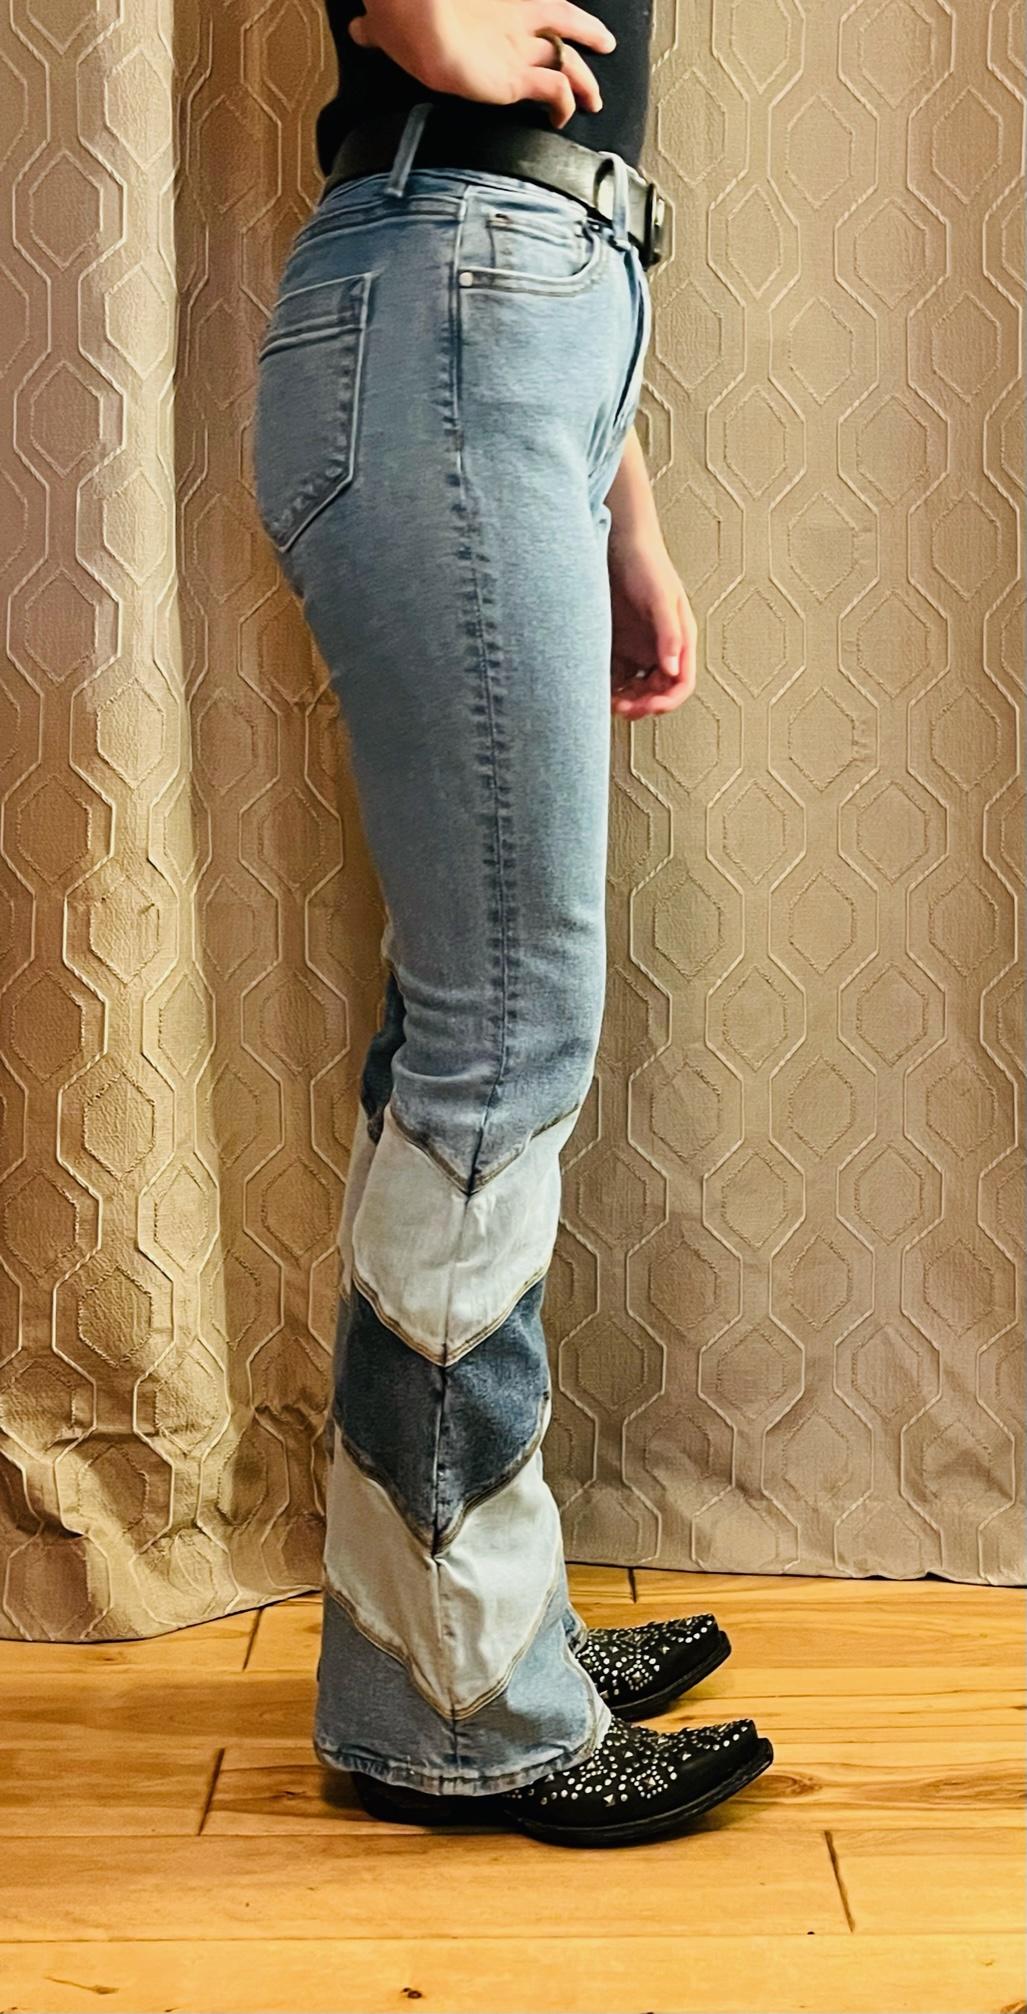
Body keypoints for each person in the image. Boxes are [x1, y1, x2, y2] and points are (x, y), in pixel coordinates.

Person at [252, 0, 774, 1847]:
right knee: (502, 1038)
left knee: (466, 1027)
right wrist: (409, 13)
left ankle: (465, 1629)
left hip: (510, 327)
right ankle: (465, 1700)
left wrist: (620, 494)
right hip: (454, 310)